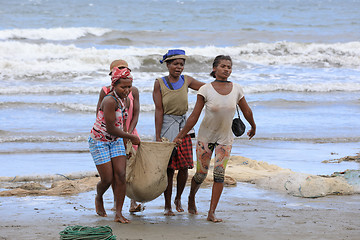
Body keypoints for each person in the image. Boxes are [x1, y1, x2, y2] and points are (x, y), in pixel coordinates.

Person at [173, 55, 256, 222]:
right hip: (206, 137)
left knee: (219, 174)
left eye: (229, 67)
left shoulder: (237, 89)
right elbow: (194, 116)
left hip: (225, 138)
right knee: (201, 174)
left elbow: (246, 111)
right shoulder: (205, 89)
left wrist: (253, 126)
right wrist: (181, 135)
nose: (226, 69)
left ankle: (211, 212)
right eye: (223, 66)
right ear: (214, 68)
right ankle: (191, 197)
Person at [152, 49, 204, 216]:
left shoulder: (187, 80)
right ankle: (167, 204)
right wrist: (158, 136)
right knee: (169, 168)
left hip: (184, 126)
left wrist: (223, 83)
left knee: (185, 166)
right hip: (167, 126)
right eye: (175, 64)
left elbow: (207, 89)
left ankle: (178, 198)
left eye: (181, 64)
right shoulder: (159, 83)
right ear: (168, 65)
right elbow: (159, 110)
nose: (179, 67)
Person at [88, 67, 140, 223]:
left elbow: (122, 123)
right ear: (114, 85)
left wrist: (126, 143)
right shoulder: (109, 100)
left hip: (116, 140)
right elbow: (110, 128)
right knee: (108, 179)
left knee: (121, 175)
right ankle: (99, 197)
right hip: (100, 141)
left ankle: (118, 213)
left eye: (128, 87)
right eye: (122, 87)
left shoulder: (126, 100)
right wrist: (131, 137)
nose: (126, 90)